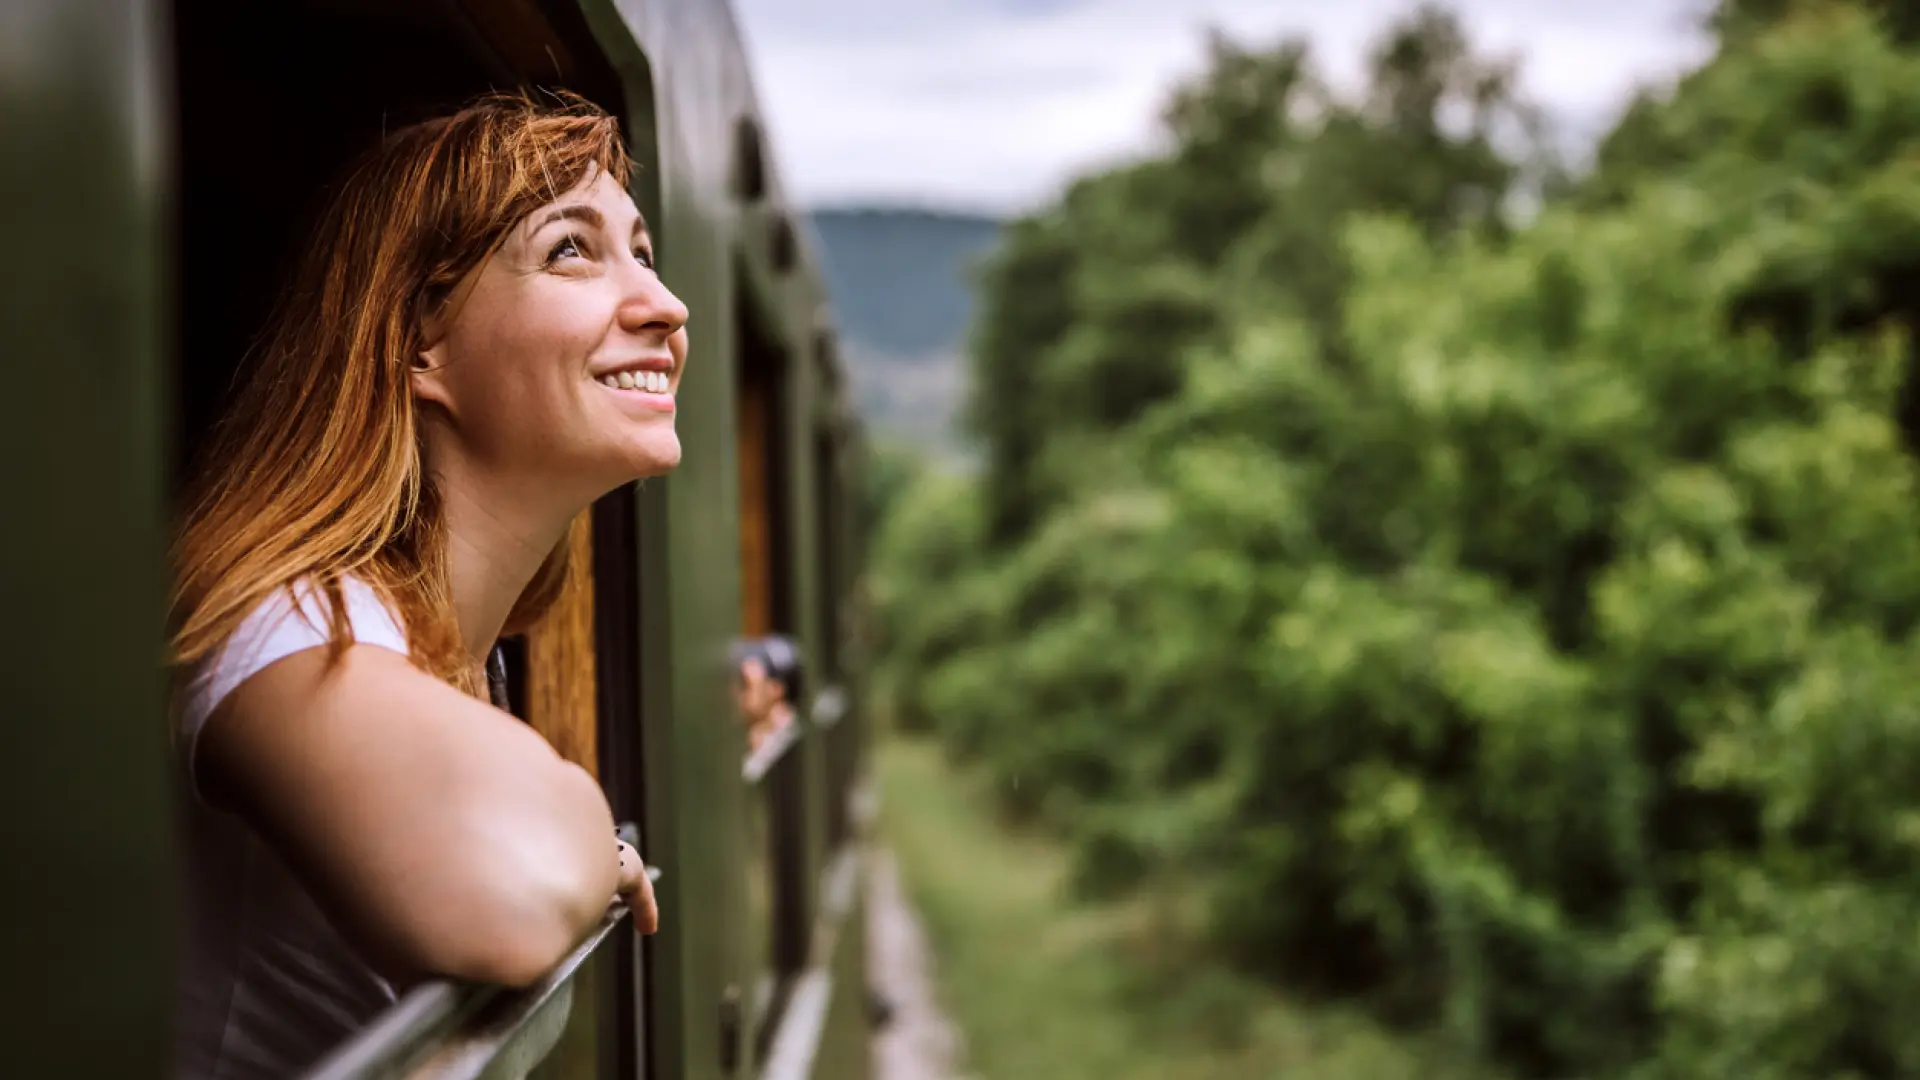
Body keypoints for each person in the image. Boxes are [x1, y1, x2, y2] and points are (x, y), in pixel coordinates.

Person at [166, 91, 685, 1079]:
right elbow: (510, 888)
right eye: (573, 250)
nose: (665, 304)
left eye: (645, 252)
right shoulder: (285, 622)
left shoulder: (434, 640)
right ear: (417, 339)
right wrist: (600, 835)